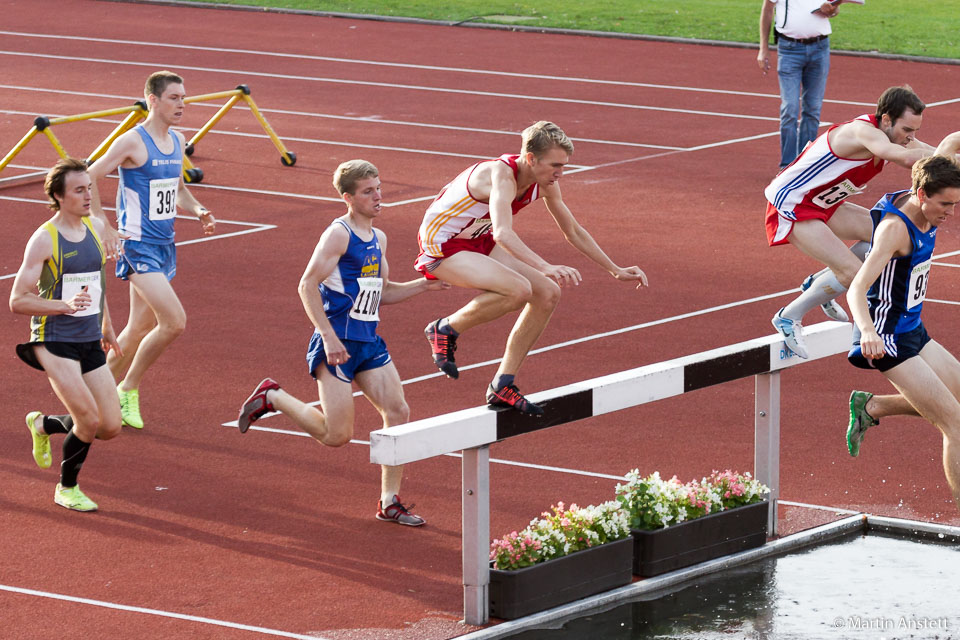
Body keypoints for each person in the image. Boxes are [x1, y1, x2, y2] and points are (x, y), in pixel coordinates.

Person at [237, 160, 446, 527]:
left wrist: (423, 286)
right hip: (336, 342)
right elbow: (306, 285)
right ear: (348, 198)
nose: (378, 196)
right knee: (336, 436)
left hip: (367, 342)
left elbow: (382, 293)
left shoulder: (379, 239)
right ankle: (273, 397)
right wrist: (329, 338)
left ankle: (389, 501)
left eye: (379, 188)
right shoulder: (338, 235)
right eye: (368, 191)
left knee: (398, 412)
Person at [416, 121, 648, 415]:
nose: (560, 173)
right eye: (555, 165)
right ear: (530, 159)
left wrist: (614, 269)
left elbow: (573, 230)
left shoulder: (545, 181)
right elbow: (503, 233)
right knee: (519, 290)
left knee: (547, 293)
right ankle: (445, 329)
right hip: (444, 244)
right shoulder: (501, 175)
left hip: (479, 237)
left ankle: (502, 384)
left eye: (564, 166)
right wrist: (544, 264)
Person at [765, 85, 937, 359]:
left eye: (914, 130)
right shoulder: (863, 132)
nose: (910, 137)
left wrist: (951, 157)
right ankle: (788, 316)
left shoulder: (895, 135)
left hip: (824, 203)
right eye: (906, 130)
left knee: (882, 235)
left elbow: (932, 152)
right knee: (854, 274)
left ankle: (820, 282)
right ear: (887, 119)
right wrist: (943, 156)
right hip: (792, 205)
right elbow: (906, 158)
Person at [87, 70, 216, 429]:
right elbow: (90, 174)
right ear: (153, 100)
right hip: (136, 245)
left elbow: (175, 188)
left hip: (164, 245)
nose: (182, 104)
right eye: (174, 98)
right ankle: (127, 388)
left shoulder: (178, 140)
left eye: (184, 98)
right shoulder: (132, 141)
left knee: (135, 331)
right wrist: (102, 223)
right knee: (174, 322)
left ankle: (90, 394)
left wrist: (198, 209)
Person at [844, 140, 960, 511]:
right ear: (922, 194)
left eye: (955, 204)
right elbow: (858, 288)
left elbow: (953, 141)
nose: (951, 213)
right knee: (955, 425)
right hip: (888, 338)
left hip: (914, 329)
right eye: (945, 204)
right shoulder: (895, 230)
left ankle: (872, 408)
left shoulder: (933, 177)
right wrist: (867, 332)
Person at [9, 158, 123, 512]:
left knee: (110, 426)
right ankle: (67, 488)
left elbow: (97, 284)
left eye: (89, 187)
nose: (88, 195)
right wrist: (63, 305)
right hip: (54, 339)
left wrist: (106, 325)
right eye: (79, 190)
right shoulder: (44, 239)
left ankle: (42, 424)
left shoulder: (93, 227)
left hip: (88, 337)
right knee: (88, 419)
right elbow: (17, 300)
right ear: (59, 196)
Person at [758, 0, 839, 169]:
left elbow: (834, 9)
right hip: (789, 50)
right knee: (790, 108)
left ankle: (805, 164)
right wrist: (763, 48)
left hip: (820, 48)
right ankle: (787, 166)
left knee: (813, 109)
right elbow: (767, 9)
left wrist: (831, 10)